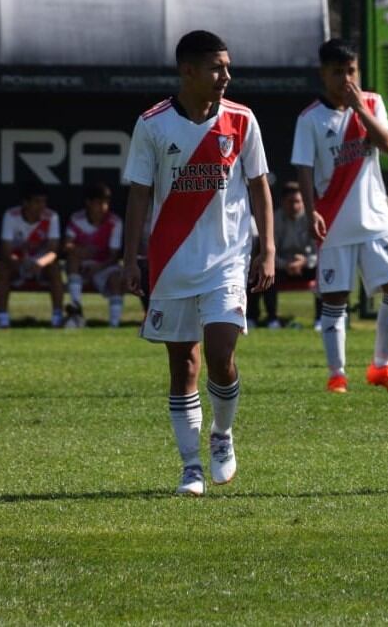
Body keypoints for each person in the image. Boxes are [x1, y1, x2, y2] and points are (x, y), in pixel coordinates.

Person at [122, 29, 274, 497]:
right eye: (216, 68)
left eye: (228, 67)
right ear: (187, 71)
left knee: (221, 356)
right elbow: (139, 195)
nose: (226, 76)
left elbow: (260, 186)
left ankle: (222, 435)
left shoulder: (242, 120)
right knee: (182, 367)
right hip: (171, 264)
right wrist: (131, 258)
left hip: (228, 259)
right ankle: (190, 466)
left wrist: (266, 248)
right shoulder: (153, 124)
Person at [292, 38, 388, 394]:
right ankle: (337, 375)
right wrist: (311, 209)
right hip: (333, 221)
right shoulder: (310, 118)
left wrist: (360, 109)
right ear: (323, 74)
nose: (346, 79)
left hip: (375, 217)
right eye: (338, 72)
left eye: (351, 71)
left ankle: (381, 368)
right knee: (335, 298)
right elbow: (303, 167)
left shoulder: (371, 103)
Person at [246, 181, 319, 329]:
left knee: (324, 271)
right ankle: (266, 318)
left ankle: (321, 318)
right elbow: (270, 251)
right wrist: (285, 264)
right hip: (281, 265)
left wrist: (303, 262)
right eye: (290, 201)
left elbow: (318, 251)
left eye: (298, 201)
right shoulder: (274, 220)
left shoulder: (311, 220)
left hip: (306, 266)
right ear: (283, 202)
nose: (294, 205)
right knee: (261, 272)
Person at [0, 181, 63, 329]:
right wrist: (20, 263)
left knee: (55, 269)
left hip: (40, 263)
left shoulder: (51, 217)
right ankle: (2, 317)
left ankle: (58, 316)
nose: (41, 206)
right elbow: (6, 251)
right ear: (25, 203)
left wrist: (40, 263)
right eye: (37, 202)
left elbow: (53, 251)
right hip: (18, 261)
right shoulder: (10, 216)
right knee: (3, 267)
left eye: (44, 201)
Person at [63, 181, 124, 328]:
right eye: (99, 203)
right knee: (72, 259)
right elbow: (66, 245)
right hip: (82, 266)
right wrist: (80, 250)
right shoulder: (76, 219)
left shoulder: (115, 222)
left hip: (104, 266)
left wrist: (98, 267)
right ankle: (76, 310)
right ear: (88, 203)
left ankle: (114, 325)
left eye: (106, 203)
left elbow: (114, 255)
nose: (103, 207)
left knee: (117, 279)